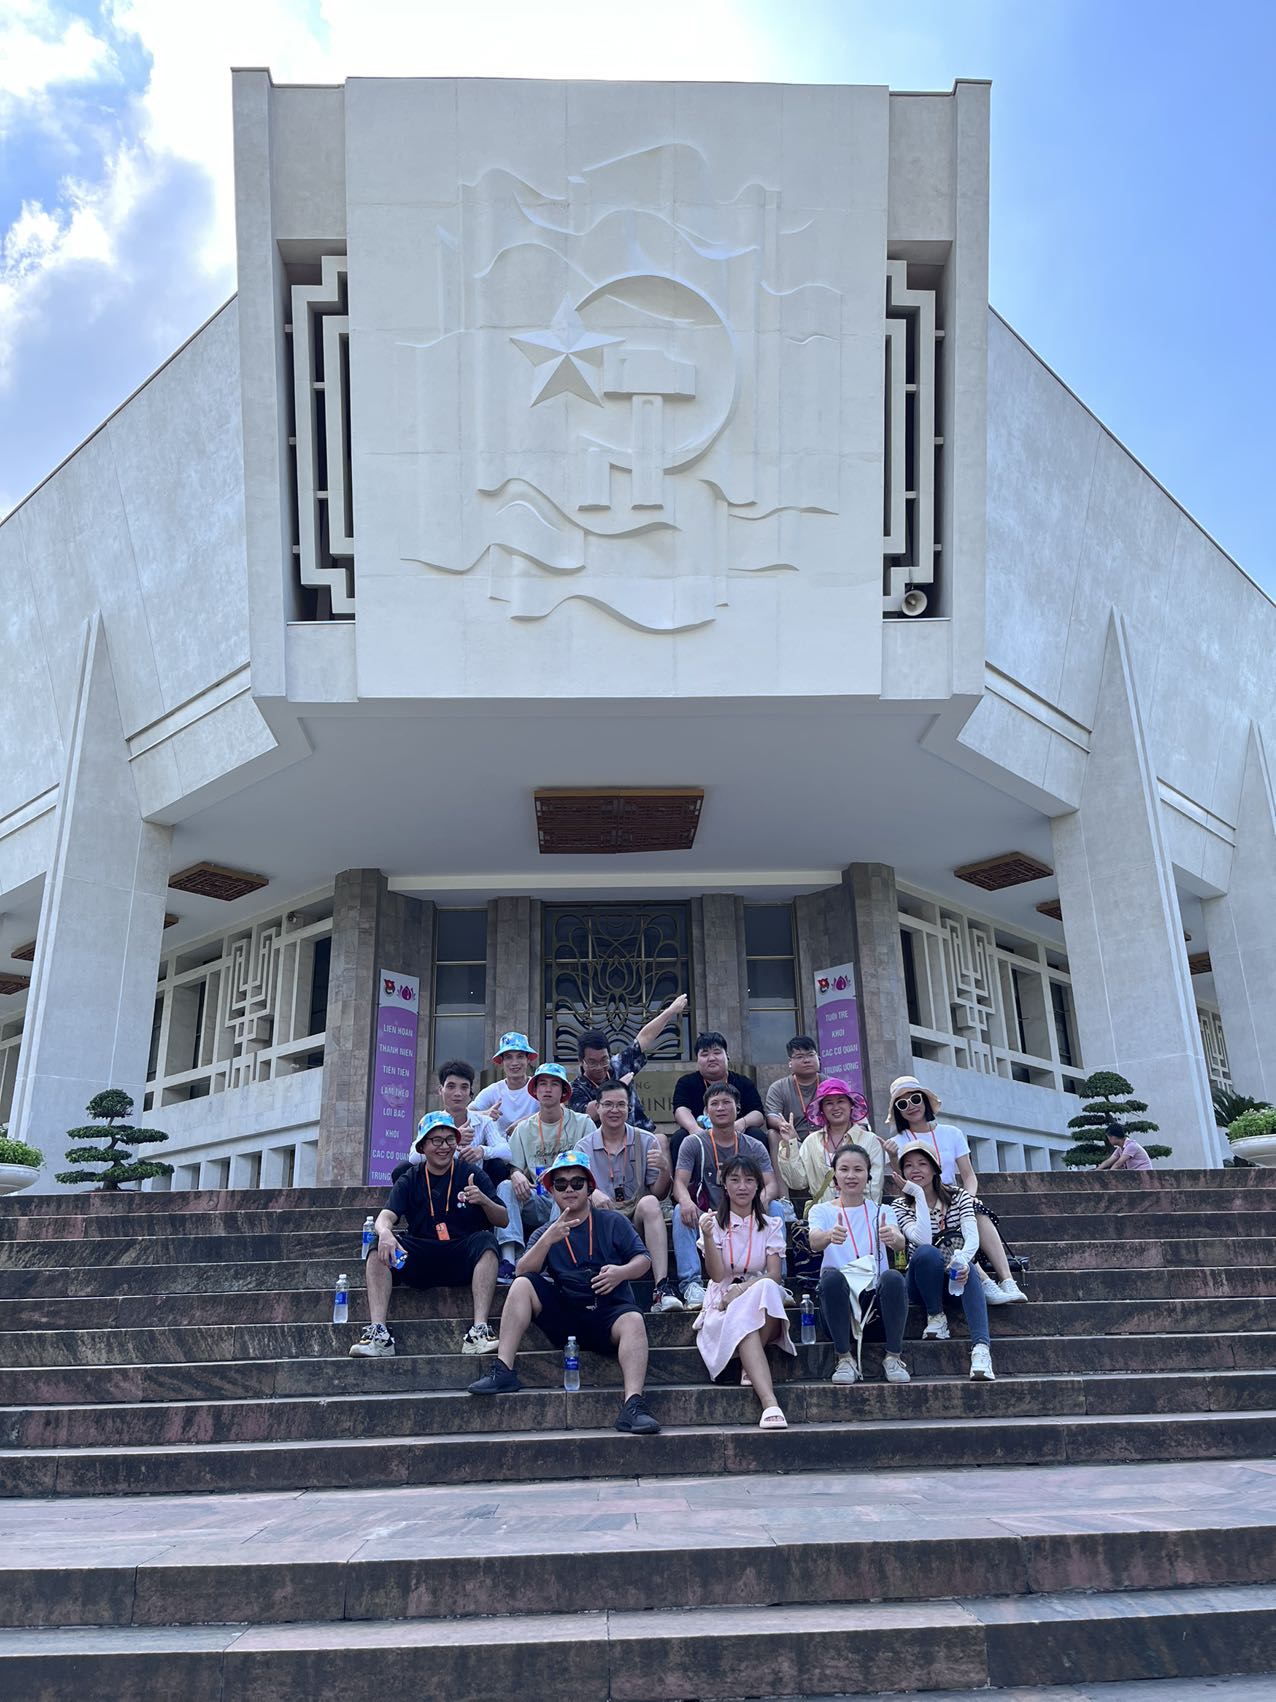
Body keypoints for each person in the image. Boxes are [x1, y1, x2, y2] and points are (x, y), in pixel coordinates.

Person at [468, 1148, 661, 1434]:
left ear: (589, 1188)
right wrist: (548, 1240)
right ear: (551, 1191)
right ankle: (504, 1369)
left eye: (577, 1183)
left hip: (610, 1313)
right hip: (567, 1316)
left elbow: (643, 1260)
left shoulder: (613, 1221)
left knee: (634, 1319)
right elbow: (522, 1271)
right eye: (560, 1184)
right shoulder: (545, 1232)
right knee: (522, 1284)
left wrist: (621, 1272)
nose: (569, 1189)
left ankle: (633, 1405)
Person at [350, 1112, 508, 1359]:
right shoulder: (411, 1177)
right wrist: (385, 1233)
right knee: (378, 1246)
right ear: (422, 1147)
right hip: (419, 1256)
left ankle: (478, 1331)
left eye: (449, 1140)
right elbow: (385, 1217)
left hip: (461, 1255)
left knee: (486, 1242)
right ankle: (379, 1335)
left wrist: (484, 1200)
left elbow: (503, 1219)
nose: (444, 1146)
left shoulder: (471, 1174)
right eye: (436, 1141)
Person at [884, 1074, 1027, 1305]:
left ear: (925, 1100)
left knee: (976, 1210)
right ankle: (984, 1282)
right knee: (947, 1228)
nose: (910, 1106)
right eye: (902, 1104)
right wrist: (892, 1157)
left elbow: (969, 1176)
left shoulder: (951, 1133)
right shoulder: (897, 1141)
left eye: (915, 1099)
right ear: (898, 1111)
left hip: (952, 1195)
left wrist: (967, 1199)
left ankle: (1007, 1280)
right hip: (922, 1202)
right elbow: (903, 1181)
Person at [693, 1153, 794, 1428]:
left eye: (749, 1180)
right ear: (725, 1185)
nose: (742, 1186)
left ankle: (753, 1369)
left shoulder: (771, 1224)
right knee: (745, 1320)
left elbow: (774, 1274)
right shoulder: (713, 1224)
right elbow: (717, 1275)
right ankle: (770, 1403)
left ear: (758, 1185)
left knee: (766, 1287)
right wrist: (709, 1237)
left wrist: (740, 1290)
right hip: (723, 1298)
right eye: (735, 1180)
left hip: (758, 1296)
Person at [890, 1139, 995, 1382]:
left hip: (956, 1279)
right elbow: (922, 1239)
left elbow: (972, 1237)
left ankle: (981, 1350)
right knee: (927, 1253)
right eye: (908, 1165)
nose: (915, 1170)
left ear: (935, 1168)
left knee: (968, 1267)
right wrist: (917, 1194)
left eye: (922, 1163)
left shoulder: (959, 1197)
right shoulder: (900, 1205)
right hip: (921, 1283)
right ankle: (936, 1316)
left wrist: (961, 1260)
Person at [808, 1143, 910, 1386]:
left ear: (868, 1175)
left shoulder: (883, 1210)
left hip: (874, 1306)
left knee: (893, 1278)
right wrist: (829, 1235)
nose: (851, 1176)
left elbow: (899, 1242)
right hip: (839, 1305)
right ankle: (844, 1358)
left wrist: (893, 1237)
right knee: (831, 1277)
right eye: (844, 1169)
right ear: (835, 1175)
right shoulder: (821, 1211)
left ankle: (893, 1357)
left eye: (858, 1170)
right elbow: (814, 1242)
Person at [672, 1081, 778, 1306]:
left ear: (738, 1107)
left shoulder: (754, 1145)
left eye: (726, 1102)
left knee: (775, 1207)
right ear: (705, 1110)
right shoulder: (693, 1143)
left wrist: (764, 1197)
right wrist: (686, 1200)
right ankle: (691, 1284)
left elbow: (771, 1184)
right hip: (708, 1213)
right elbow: (679, 1182)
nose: (721, 1108)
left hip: (745, 1211)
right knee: (681, 1210)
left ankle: (777, 1281)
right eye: (714, 1104)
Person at [580, 1078, 678, 1312]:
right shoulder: (583, 1147)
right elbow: (574, 1191)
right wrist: (591, 1193)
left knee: (650, 1202)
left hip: (636, 1218)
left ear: (629, 1108)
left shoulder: (646, 1140)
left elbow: (660, 1193)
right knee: (591, 1204)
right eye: (608, 1104)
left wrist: (665, 1170)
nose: (614, 1110)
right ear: (597, 1108)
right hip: (604, 1221)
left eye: (621, 1105)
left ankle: (662, 1287)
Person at [497, 1062, 596, 1280]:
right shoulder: (523, 1129)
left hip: (571, 1196)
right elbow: (514, 1165)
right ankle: (509, 1259)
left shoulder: (583, 1123)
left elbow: (591, 1167)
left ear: (564, 1091)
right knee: (505, 1187)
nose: (548, 1089)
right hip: (538, 1196)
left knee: (563, 1190)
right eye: (542, 1084)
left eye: (554, 1084)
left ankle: (550, 1261)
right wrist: (516, 1174)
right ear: (535, 1090)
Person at [569, 992, 689, 1130]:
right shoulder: (575, 1088)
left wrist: (670, 1011)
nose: (600, 1067)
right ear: (581, 1061)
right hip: (603, 1140)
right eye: (592, 1062)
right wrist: (618, 1086)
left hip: (639, 1133)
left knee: (661, 1139)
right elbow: (586, 1114)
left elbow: (644, 1037)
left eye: (604, 1060)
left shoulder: (618, 1065)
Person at [671, 1032, 766, 1170]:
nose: (711, 1058)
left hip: (736, 1132)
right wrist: (694, 1129)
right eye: (705, 1054)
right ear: (697, 1060)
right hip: (700, 1132)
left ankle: (757, 1180)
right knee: (680, 1137)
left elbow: (758, 1113)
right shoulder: (686, 1082)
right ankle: (682, 1181)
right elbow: (681, 1109)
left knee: (756, 1134)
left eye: (717, 1052)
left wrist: (741, 1124)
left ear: (727, 1055)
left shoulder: (743, 1082)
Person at [798, 1077, 886, 1211]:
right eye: (829, 1103)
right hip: (823, 1214)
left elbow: (874, 1186)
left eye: (841, 1101)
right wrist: (788, 1144)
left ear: (851, 1105)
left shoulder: (870, 1140)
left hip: (861, 1213)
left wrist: (866, 1214)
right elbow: (798, 1182)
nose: (836, 1107)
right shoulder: (811, 1142)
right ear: (821, 1109)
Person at [468, 1031, 538, 1134]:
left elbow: (558, 1111)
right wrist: (485, 1113)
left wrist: (523, 1123)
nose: (514, 1063)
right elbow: (467, 1113)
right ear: (502, 1061)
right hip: (500, 1143)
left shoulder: (538, 1087)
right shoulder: (494, 1090)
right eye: (509, 1057)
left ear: (528, 1059)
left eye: (520, 1056)